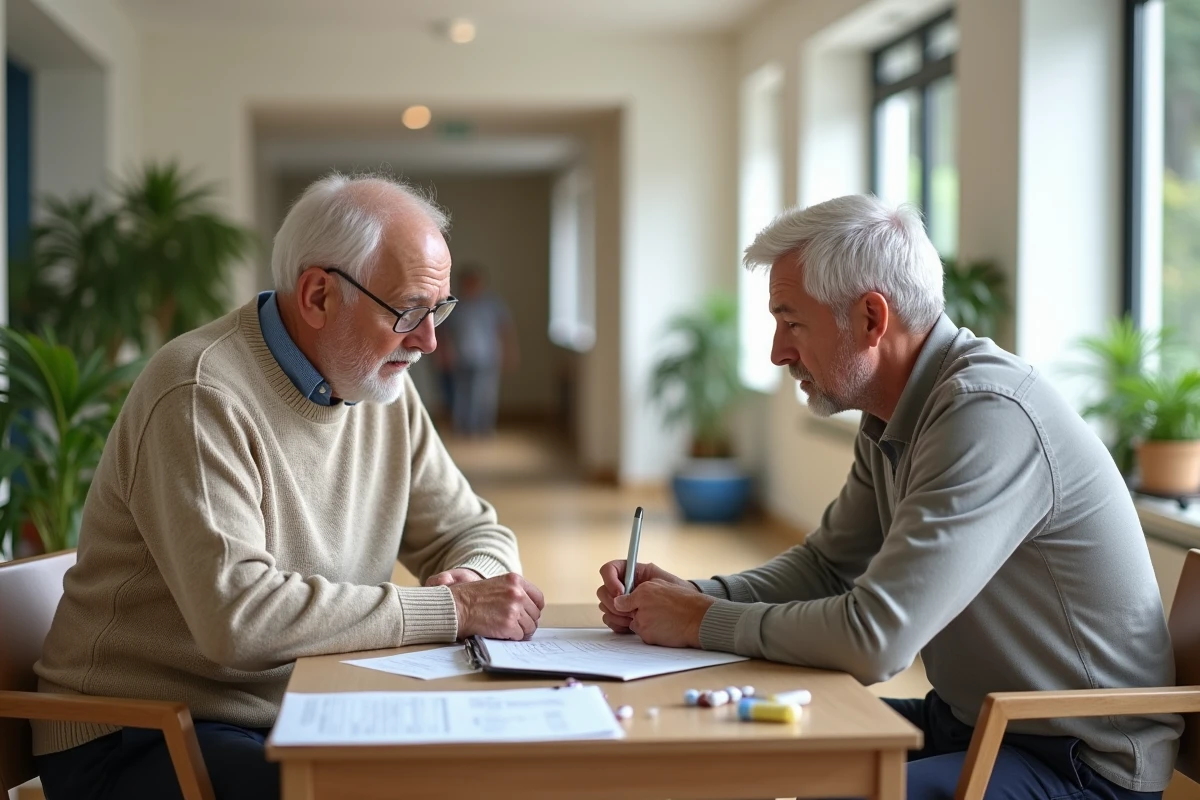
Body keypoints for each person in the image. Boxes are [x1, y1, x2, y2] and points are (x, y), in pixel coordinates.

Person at [596, 195, 1180, 799]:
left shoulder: (986, 414)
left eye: (791, 321)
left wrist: (704, 621)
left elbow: (876, 639)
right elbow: (827, 567)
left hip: (1080, 763)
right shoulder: (896, 415)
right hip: (975, 724)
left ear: (872, 319)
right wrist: (691, 597)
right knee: (736, 744)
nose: (778, 351)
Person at [33, 173, 545, 800]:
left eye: (438, 311)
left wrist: (473, 575)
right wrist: (454, 610)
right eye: (409, 310)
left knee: (472, 769)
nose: (429, 341)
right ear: (318, 295)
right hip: (138, 731)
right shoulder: (200, 394)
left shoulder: (382, 386)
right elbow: (239, 619)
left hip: (291, 706)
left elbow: (474, 529)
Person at [439, 264, 520, 436]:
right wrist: (445, 353)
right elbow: (444, 332)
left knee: (486, 394)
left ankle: (483, 428)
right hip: (461, 357)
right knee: (461, 394)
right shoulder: (454, 305)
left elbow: (505, 329)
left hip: (487, 357)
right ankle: (462, 428)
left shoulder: (493, 304)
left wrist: (510, 353)